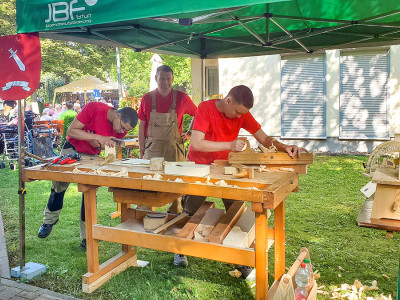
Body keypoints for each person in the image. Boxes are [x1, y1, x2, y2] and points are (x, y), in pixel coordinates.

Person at [177, 85, 305, 270]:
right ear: (228, 100)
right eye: (237, 112)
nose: (239, 117)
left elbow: (264, 138)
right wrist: (229, 145)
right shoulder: (205, 108)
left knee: (237, 211)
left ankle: (242, 258)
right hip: (200, 167)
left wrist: (283, 146)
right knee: (190, 209)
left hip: (228, 167)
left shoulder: (242, 113)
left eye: (242, 114)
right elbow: (197, 143)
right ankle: (180, 248)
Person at [37, 102, 138, 248]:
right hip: (72, 148)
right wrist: (97, 137)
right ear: (117, 115)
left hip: (92, 155)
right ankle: (49, 221)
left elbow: (103, 145)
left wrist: (93, 140)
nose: (122, 131)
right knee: (59, 185)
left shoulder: (122, 128)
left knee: (89, 193)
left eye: (125, 129)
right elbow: (71, 131)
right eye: (122, 127)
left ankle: (87, 236)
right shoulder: (94, 108)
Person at [138, 65, 197, 213]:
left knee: (176, 184)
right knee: (147, 181)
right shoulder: (147, 98)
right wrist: (141, 149)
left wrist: (190, 134)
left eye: (168, 79)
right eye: (162, 79)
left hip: (174, 147)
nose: (165, 82)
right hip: (152, 148)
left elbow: (199, 115)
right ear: (156, 78)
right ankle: (143, 214)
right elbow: (141, 125)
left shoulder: (182, 98)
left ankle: (175, 214)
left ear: (173, 79)